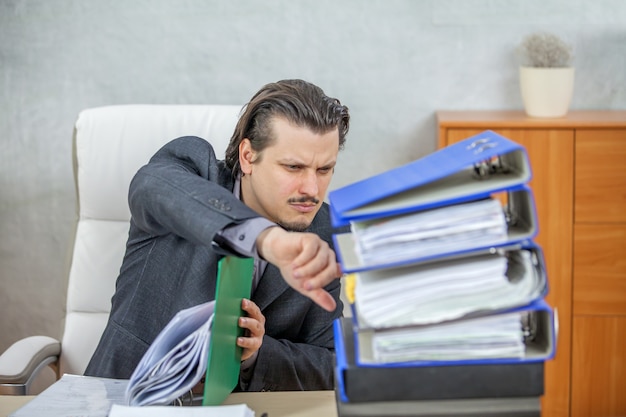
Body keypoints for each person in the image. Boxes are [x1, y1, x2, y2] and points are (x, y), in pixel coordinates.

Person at [84, 79, 351, 392]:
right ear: (249, 156)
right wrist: (266, 239)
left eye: (324, 170)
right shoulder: (193, 169)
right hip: (123, 397)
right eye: (293, 167)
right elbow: (151, 186)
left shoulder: (322, 231)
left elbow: (331, 364)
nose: (312, 189)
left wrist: (256, 355)